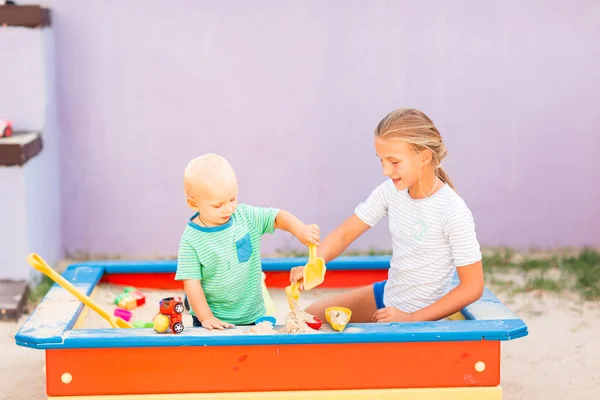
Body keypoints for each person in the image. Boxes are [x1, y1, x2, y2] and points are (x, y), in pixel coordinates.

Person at [290, 108, 484, 323]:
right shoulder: (390, 191)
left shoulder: (452, 211)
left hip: (421, 315)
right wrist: (315, 263)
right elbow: (345, 233)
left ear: (424, 157)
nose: (385, 170)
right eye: (381, 160)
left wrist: (411, 318)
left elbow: (472, 287)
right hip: (388, 297)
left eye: (394, 162)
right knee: (309, 317)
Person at [176, 153, 320, 330]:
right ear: (193, 204)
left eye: (232, 199)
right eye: (218, 205)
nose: (228, 208)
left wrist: (300, 230)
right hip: (212, 317)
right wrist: (206, 317)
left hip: (252, 314)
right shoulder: (191, 239)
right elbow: (191, 283)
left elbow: (276, 217)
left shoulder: (245, 216)